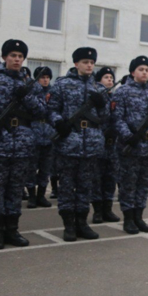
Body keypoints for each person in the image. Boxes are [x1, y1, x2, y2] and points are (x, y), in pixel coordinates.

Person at [0, 40, 47, 250]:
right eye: (13, 55)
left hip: (22, 144)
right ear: (4, 57)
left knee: (15, 190)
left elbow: (42, 111)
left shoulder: (30, 84)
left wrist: (28, 97)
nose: (16, 59)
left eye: (20, 56)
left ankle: (12, 230)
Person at [48, 48, 109, 241]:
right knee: (66, 186)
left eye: (91, 62)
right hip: (68, 143)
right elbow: (51, 110)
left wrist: (101, 105)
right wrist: (59, 123)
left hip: (91, 144)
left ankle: (82, 223)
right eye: (85, 62)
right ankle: (69, 225)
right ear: (76, 64)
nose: (89, 65)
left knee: (85, 186)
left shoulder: (99, 89)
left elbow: (106, 118)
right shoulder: (62, 85)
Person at [112, 56, 148, 234]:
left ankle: (139, 217)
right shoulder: (123, 92)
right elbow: (117, 118)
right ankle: (128, 219)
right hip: (131, 146)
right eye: (141, 69)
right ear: (132, 72)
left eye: (147, 70)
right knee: (128, 184)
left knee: (144, 184)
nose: (144, 72)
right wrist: (128, 136)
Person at [91, 66, 121, 223]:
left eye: (111, 77)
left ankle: (107, 209)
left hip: (113, 145)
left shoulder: (116, 97)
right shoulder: (96, 96)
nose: (110, 79)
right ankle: (97, 211)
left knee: (111, 178)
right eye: (106, 77)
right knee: (97, 178)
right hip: (98, 143)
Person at [27, 66, 54, 209]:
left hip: (49, 135)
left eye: (47, 77)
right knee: (31, 168)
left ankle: (41, 195)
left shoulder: (54, 93)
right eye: (42, 77)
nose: (45, 80)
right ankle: (31, 196)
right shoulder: (31, 92)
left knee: (45, 168)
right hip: (34, 134)